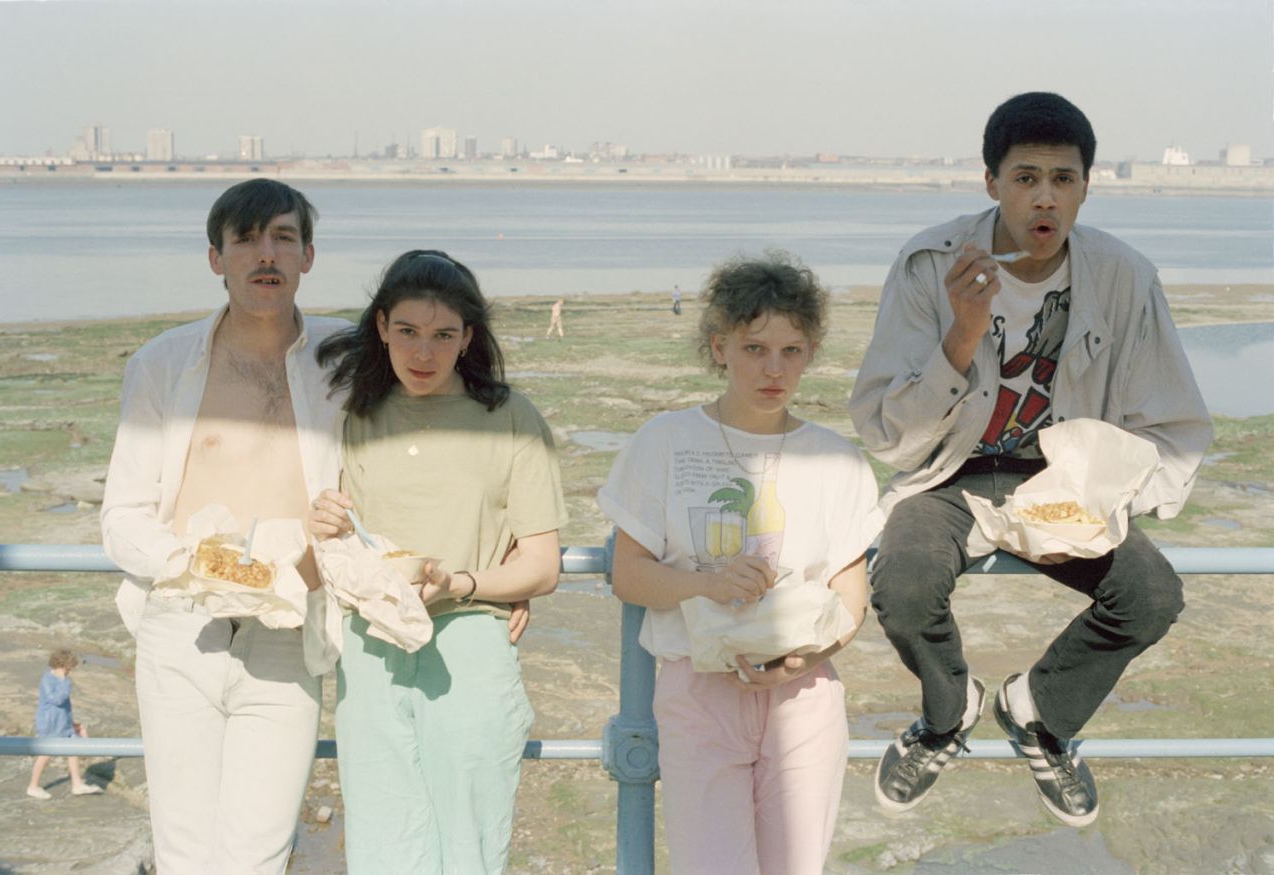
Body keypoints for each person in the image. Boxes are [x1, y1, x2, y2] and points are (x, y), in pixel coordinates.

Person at [848, 92, 1212, 827]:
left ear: (1085, 185)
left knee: (1151, 596)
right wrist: (962, 333)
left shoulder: (1123, 276)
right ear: (991, 182)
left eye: (1063, 178)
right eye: (1024, 177)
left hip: (1061, 481)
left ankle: (1040, 711)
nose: (1044, 196)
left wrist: (1109, 491)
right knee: (903, 584)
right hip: (948, 473)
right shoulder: (929, 265)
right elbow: (886, 432)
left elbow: (1175, 421)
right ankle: (946, 717)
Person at [599, 253, 880, 874]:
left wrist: (807, 659)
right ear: (718, 346)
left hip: (804, 690)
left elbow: (851, 597)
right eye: (754, 348)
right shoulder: (664, 441)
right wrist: (707, 583)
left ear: (811, 351)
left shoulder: (837, 459)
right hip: (699, 688)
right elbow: (628, 573)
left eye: (791, 350)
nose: (773, 369)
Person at [100, 179, 348, 873]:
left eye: (283, 237)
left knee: (259, 849)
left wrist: (501, 567)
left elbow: (442, 405)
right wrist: (198, 565)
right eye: (245, 239)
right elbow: (121, 516)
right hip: (183, 623)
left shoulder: (348, 361)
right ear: (216, 257)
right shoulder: (163, 364)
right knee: (184, 849)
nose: (265, 253)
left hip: (290, 627)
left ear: (308, 255)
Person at [310, 250, 567, 873]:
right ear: (381, 329)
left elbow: (543, 563)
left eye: (443, 335)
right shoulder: (351, 415)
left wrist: (464, 582)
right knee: (381, 834)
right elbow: (338, 536)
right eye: (407, 333)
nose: (423, 353)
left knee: (471, 836)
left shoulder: (511, 418)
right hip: (372, 647)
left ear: (468, 338)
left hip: (472, 641)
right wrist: (321, 521)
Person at [26, 648, 102, 799]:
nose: (70, 670)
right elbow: (56, 700)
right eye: (70, 667)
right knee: (46, 753)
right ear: (64, 665)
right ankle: (33, 786)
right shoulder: (49, 679)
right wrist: (63, 682)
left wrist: (73, 724)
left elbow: (64, 708)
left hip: (62, 723)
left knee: (72, 749)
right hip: (50, 723)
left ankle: (77, 784)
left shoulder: (62, 680)